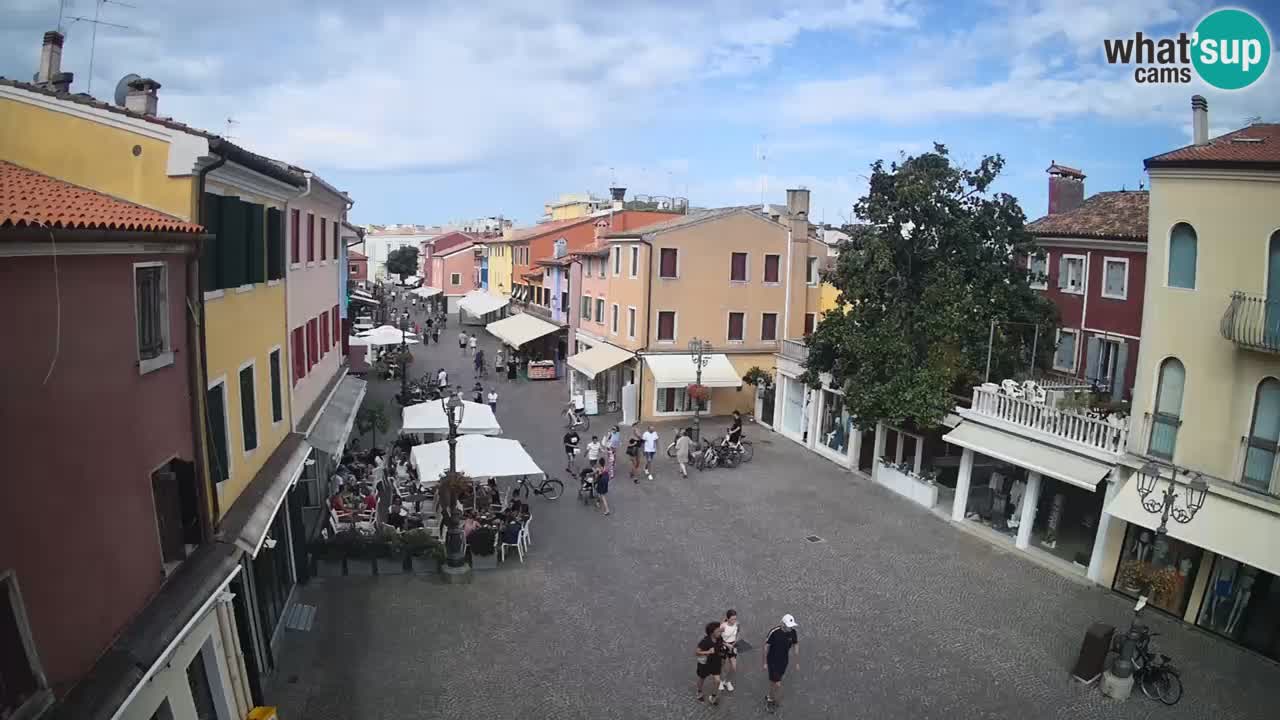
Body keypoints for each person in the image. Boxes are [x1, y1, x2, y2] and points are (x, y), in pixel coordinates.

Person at [764, 614, 799, 709]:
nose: (791, 628)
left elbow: (795, 643)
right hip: (772, 661)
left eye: (792, 626)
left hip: (784, 661)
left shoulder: (793, 632)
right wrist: (765, 662)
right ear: (783, 624)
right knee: (778, 683)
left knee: (773, 681)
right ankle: (775, 700)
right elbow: (766, 646)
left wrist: (796, 660)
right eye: (789, 626)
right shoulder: (774, 632)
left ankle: (770, 696)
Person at [695, 622, 724, 705]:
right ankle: (699, 692)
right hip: (705, 664)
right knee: (702, 678)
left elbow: (721, 644)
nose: (720, 632)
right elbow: (697, 652)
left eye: (720, 631)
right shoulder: (705, 641)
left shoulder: (719, 638)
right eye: (718, 631)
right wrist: (708, 651)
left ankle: (713, 697)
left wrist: (728, 646)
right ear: (712, 633)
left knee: (717, 680)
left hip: (716, 662)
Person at [719, 610, 740, 692]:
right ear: (727, 619)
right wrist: (727, 645)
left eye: (735, 619)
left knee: (734, 667)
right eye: (732, 619)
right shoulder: (723, 627)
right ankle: (721, 681)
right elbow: (718, 639)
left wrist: (735, 643)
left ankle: (727, 681)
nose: (734, 621)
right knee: (722, 665)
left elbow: (737, 634)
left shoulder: (737, 624)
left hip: (733, 645)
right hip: (724, 646)